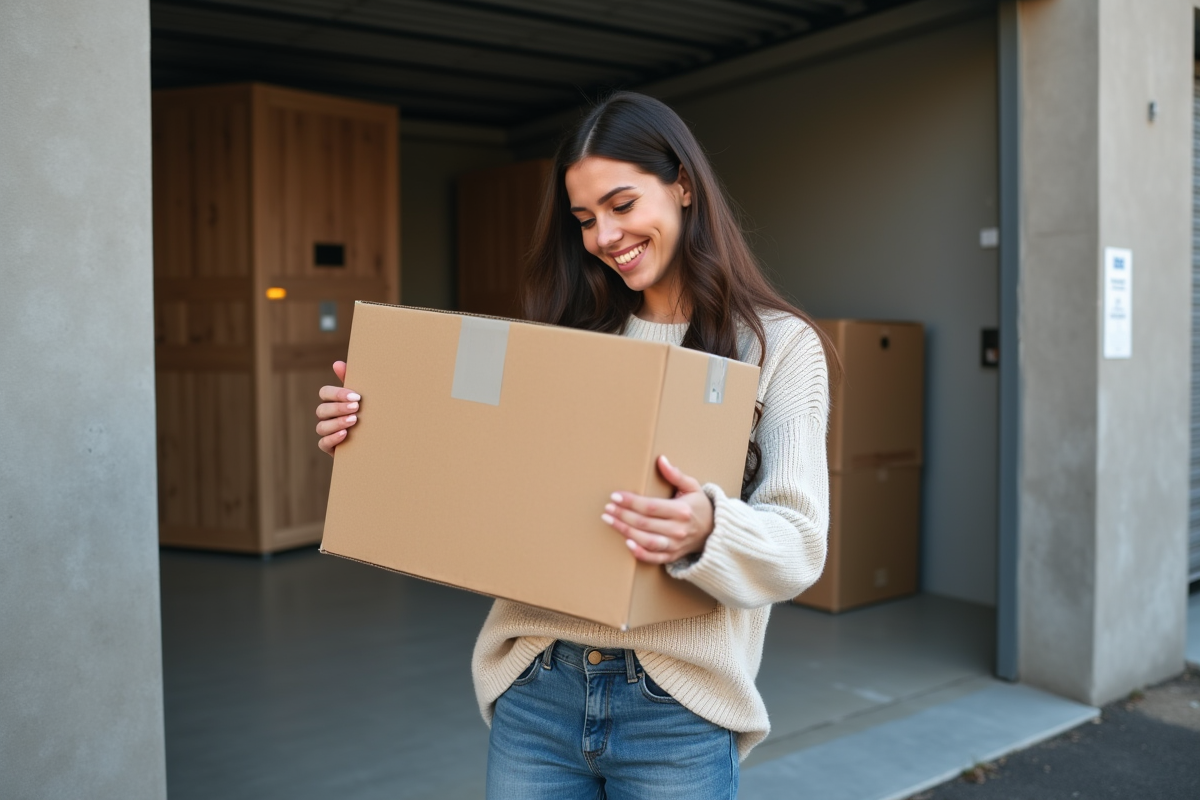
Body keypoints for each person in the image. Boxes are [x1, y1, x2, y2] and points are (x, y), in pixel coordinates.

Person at [315, 91, 832, 800]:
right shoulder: (567, 340)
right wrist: (373, 433)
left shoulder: (776, 348)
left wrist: (710, 527)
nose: (603, 236)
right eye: (584, 219)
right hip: (538, 690)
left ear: (683, 185)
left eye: (621, 205)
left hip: (677, 709)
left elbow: (801, 543)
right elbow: (478, 486)